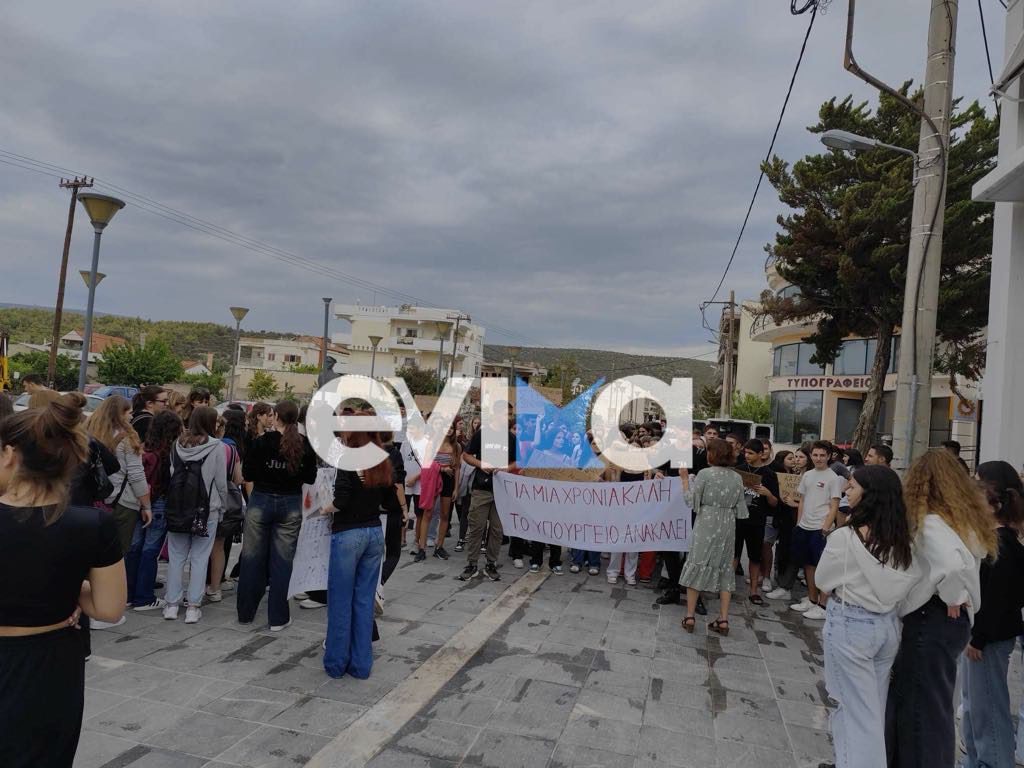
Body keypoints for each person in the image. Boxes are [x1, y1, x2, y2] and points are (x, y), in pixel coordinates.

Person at [0, 393, 126, 767]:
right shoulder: (92, 525)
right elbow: (109, 608)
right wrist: (68, 587)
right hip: (50, 661)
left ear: (9, 454)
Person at [885, 449, 997, 767]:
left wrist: (951, 595)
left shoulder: (931, 522)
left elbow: (949, 564)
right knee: (934, 705)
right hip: (949, 622)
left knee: (921, 709)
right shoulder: (962, 520)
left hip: (929, 617)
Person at [815, 465, 920, 768]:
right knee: (871, 710)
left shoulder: (844, 538)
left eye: (852, 486)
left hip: (850, 625)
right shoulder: (903, 539)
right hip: (886, 626)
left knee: (850, 710)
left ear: (869, 495)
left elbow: (823, 580)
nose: (846, 490)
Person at [321, 423, 400, 679]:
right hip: (374, 534)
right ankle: (361, 664)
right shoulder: (382, 461)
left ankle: (336, 663)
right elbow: (390, 501)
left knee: (340, 601)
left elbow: (340, 501)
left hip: (348, 534)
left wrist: (324, 509)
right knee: (365, 601)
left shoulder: (348, 459)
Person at [959, 461, 1024, 768]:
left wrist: (979, 638)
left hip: (989, 639)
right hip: (983, 635)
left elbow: (998, 598)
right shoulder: (994, 537)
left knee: (988, 709)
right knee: (974, 707)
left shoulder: (1003, 543)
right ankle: (977, 761)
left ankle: (993, 762)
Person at [238, 400, 318, 630]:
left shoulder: (261, 442)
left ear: (275, 416)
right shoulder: (303, 444)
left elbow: (248, 472)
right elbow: (310, 477)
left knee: (251, 557)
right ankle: (278, 617)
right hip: (290, 504)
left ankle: (246, 612)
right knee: (282, 562)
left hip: (261, 500)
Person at [161, 407, 228, 624]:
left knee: (177, 556)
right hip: (206, 509)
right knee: (200, 557)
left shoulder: (177, 445)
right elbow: (221, 482)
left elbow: (172, 474)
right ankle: (193, 606)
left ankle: (171, 604)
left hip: (178, 507)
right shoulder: (217, 447)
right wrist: (224, 506)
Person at [678, 437, 748, 637]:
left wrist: (684, 480)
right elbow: (741, 509)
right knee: (725, 568)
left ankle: (690, 616)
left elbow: (691, 501)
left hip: (707, 522)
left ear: (712, 454)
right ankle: (724, 619)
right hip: (727, 524)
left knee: (698, 562)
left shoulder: (704, 474)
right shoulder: (737, 477)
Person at [770, 442, 843, 620]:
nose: (818, 458)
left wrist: (826, 526)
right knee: (808, 564)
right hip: (804, 526)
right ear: (811, 455)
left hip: (820, 528)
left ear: (829, 456)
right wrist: (799, 522)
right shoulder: (808, 475)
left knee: (821, 566)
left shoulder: (833, 478)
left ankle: (822, 605)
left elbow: (834, 505)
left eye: (822, 455)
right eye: (815, 455)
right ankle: (812, 599)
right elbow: (802, 500)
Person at [87, 396, 153, 586]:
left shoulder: (89, 432)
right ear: (120, 414)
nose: (132, 415)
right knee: (117, 554)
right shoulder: (127, 438)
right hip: (122, 501)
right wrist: (146, 505)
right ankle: (109, 596)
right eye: (129, 411)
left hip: (94, 500)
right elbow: (136, 475)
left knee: (93, 552)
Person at [458, 401, 517, 582]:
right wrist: (481, 464)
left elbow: (518, 461)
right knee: (476, 527)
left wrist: (507, 468)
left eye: (509, 415)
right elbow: (466, 455)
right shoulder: (482, 434)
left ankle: (491, 563)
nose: (508, 418)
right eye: (505, 414)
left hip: (501, 489)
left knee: (497, 530)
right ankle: (472, 564)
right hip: (481, 488)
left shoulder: (511, 438)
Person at [129, 411, 182, 611]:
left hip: (139, 501)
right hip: (159, 503)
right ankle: (143, 597)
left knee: (134, 548)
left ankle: (128, 592)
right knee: (150, 551)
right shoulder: (170, 453)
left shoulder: (144, 448)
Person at [733, 438, 779, 606]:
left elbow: (775, 502)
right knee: (734, 555)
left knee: (755, 557)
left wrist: (767, 493)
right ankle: (727, 588)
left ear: (761, 454)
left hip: (757, 521)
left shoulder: (769, 474)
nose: (747, 456)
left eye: (751, 453)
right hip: (738, 519)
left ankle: (753, 591)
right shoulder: (739, 470)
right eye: (745, 452)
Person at [414, 423, 460, 562]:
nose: (449, 429)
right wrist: (441, 468)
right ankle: (421, 548)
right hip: (433, 479)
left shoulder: (456, 447)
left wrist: (456, 488)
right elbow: (426, 463)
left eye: (451, 427)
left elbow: (457, 468)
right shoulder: (432, 444)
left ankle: (439, 547)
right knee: (427, 512)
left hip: (449, 480)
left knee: (445, 514)